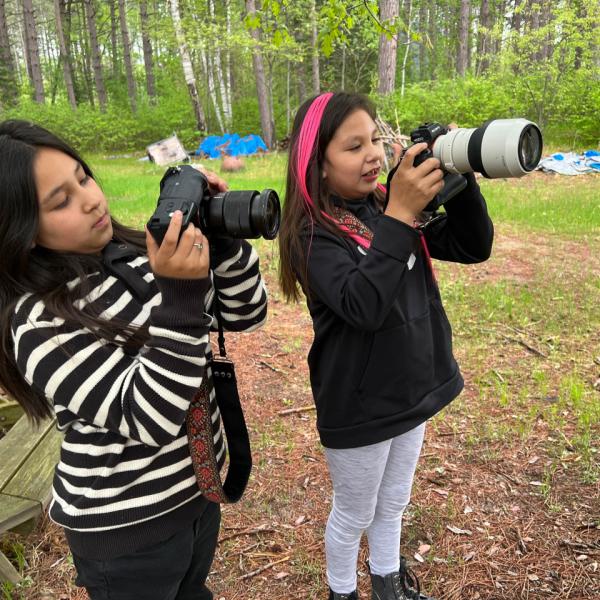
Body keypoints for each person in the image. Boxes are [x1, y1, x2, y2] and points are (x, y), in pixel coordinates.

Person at [0, 119, 268, 600]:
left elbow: (245, 312)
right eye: (60, 201)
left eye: (83, 177)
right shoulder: (37, 321)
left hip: (194, 492)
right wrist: (180, 295)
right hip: (124, 530)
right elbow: (149, 415)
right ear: (19, 229)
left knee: (192, 590)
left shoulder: (134, 254)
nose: (90, 199)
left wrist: (222, 242)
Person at [278, 92, 494, 600]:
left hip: (409, 386)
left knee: (394, 502)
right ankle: (341, 592)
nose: (374, 154)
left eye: (375, 138)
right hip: (359, 403)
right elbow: (362, 304)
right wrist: (400, 212)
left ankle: (387, 585)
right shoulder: (313, 234)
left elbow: (473, 245)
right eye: (354, 146)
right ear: (318, 165)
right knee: (354, 511)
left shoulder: (383, 207)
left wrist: (456, 181)